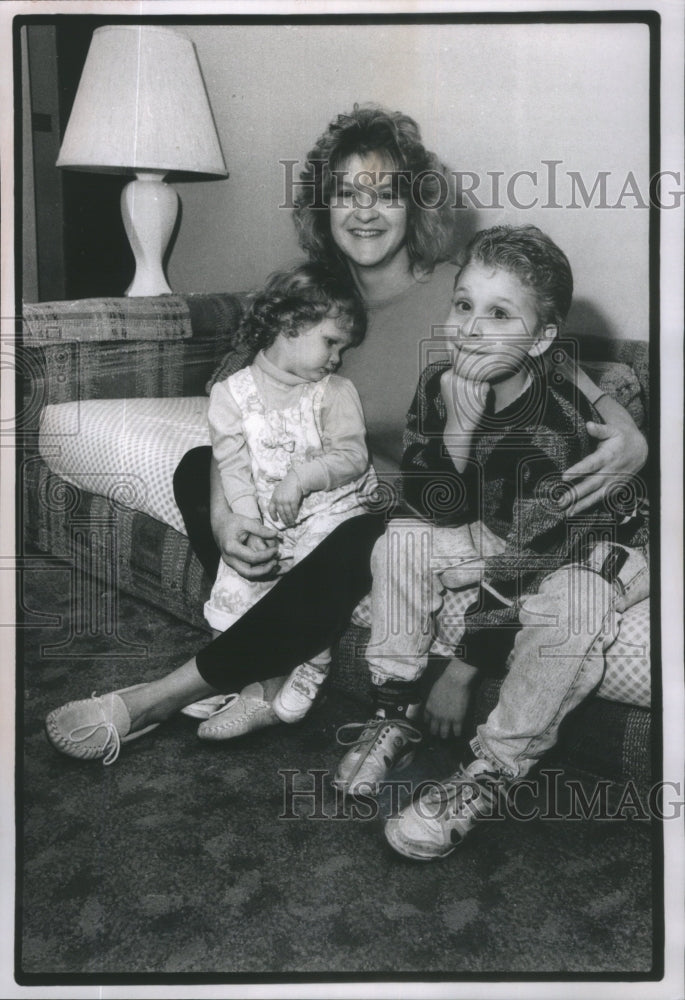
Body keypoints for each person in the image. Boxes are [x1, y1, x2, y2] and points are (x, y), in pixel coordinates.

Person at [171, 105, 648, 736]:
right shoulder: (317, 295)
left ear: (416, 204)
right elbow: (230, 396)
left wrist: (628, 428)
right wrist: (225, 515)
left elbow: (557, 366)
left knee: (362, 532)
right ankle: (268, 662)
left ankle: (167, 692)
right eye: (345, 192)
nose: (364, 211)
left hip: (400, 503)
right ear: (324, 206)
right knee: (194, 466)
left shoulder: (459, 292)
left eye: (386, 192)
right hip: (307, 487)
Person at [320, 224, 648, 860]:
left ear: (541, 339)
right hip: (509, 532)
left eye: (500, 315)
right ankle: (394, 709)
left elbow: (534, 558)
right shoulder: (441, 383)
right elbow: (429, 501)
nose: (470, 327)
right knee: (401, 543)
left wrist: (464, 671)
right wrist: (458, 435)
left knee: (568, 611)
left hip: (597, 545)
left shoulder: (553, 423)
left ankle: (493, 772)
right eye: (464, 304)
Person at [196, 262, 375, 726]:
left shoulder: (334, 391)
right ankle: (226, 668)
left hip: (329, 507)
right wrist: (244, 519)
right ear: (288, 323)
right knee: (237, 576)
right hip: (264, 509)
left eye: (344, 348)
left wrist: (301, 479)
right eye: (331, 342)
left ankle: (311, 663)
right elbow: (231, 464)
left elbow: (352, 456)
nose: (337, 358)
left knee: (319, 563)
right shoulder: (230, 394)